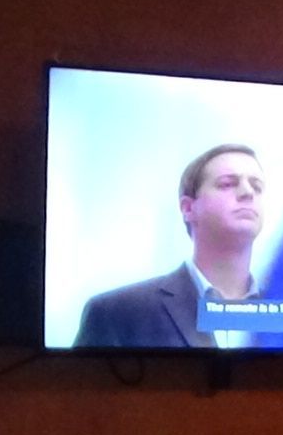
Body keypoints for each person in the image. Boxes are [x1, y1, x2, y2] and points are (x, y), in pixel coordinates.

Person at [74, 143, 265, 348]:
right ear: (188, 208)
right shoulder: (116, 313)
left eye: (257, 187)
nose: (248, 192)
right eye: (227, 184)